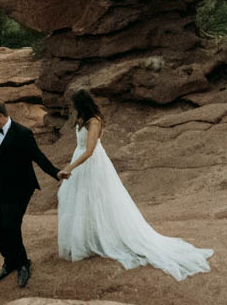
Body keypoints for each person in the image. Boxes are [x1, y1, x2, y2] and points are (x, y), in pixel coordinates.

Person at [56, 88, 213, 280]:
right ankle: (89, 238)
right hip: (81, 161)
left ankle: (102, 238)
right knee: (81, 200)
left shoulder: (93, 121)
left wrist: (70, 167)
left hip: (91, 164)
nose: (71, 107)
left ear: (81, 104)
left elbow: (89, 151)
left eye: (73, 104)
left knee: (97, 199)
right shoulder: (81, 119)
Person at [0, 101, 66, 288]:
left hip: (21, 187)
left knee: (11, 225)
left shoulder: (23, 133)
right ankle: (9, 261)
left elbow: (38, 156)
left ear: (1, 116)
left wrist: (56, 173)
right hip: (0, 187)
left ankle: (23, 263)